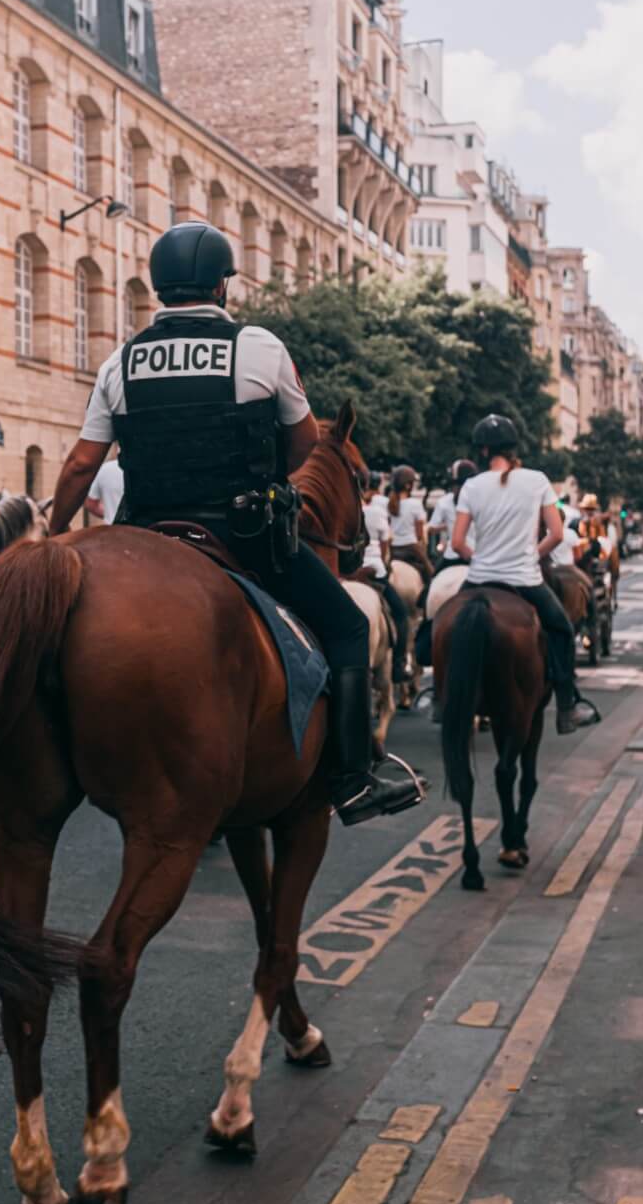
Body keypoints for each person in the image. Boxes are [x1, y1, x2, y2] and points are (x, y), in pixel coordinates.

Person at [48, 220, 421, 827]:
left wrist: (54, 533)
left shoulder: (121, 362)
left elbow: (81, 465)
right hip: (244, 536)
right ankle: (353, 780)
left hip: (143, 537)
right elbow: (304, 449)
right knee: (350, 626)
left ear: (160, 286)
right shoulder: (260, 347)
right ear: (222, 285)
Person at [450, 414, 598, 735]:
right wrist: (531, 554)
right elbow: (557, 534)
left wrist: (484, 558)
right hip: (525, 581)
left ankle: (437, 695)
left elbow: (457, 543)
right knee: (560, 631)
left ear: (484, 451)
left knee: (436, 625)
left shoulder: (472, 485)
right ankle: (567, 708)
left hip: (480, 578)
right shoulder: (537, 480)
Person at [358, 471, 410, 683]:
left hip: (349, 572)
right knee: (401, 614)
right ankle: (398, 664)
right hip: (374, 571)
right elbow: (384, 546)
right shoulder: (377, 510)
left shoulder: (349, 506)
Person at [387, 465, 432, 584]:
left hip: (393, 548)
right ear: (407, 485)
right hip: (411, 548)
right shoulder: (415, 504)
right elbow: (419, 535)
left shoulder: (389, 504)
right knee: (431, 573)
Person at [428, 460, 477, 567]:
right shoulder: (480, 499)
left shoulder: (444, 501)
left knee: (433, 580)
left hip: (451, 555)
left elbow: (431, 528)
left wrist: (448, 525)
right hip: (475, 553)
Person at [86, 453, 124, 525]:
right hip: (144, 532)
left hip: (112, 530)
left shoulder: (104, 468)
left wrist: (111, 514)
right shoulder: (149, 469)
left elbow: (90, 504)